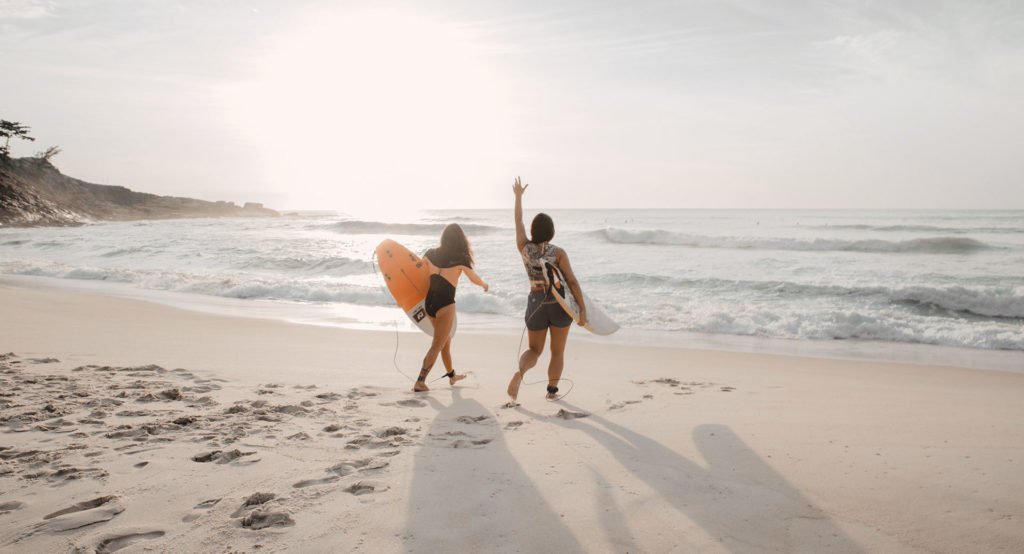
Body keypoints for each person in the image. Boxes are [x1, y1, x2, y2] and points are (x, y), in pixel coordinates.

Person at [506, 176, 587, 402]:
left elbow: (517, 220)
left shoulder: (524, 247)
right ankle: (552, 392)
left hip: (536, 302)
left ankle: (520, 373)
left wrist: (518, 197)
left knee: (534, 350)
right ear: (551, 231)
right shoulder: (558, 252)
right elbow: (571, 281)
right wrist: (582, 309)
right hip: (559, 304)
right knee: (557, 351)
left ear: (533, 230)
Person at [414, 223, 489, 392]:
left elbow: (417, 271)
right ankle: (420, 381)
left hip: (430, 304)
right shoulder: (461, 258)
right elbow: (474, 278)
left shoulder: (430, 253)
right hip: (445, 305)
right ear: (461, 239)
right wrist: (485, 285)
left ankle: (452, 376)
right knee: (437, 345)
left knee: (444, 343)